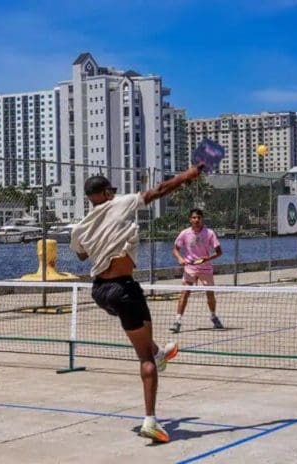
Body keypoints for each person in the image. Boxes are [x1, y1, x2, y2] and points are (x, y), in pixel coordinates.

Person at [70, 163, 205, 443]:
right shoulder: (119, 204)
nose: (116, 193)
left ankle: (158, 353)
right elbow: (159, 190)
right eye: (113, 190)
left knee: (144, 341)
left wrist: (102, 237)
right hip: (123, 290)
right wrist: (188, 176)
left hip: (100, 292)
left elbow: (82, 255)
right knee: (144, 359)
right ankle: (150, 421)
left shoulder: (80, 227)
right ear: (107, 192)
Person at [170, 208, 223, 334]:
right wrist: (180, 258)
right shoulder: (184, 233)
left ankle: (213, 316)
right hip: (190, 268)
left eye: (199, 218)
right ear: (190, 219)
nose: (196, 220)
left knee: (210, 295)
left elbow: (219, 252)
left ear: (202, 219)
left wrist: (207, 258)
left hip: (206, 268)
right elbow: (175, 250)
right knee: (185, 293)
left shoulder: (209, 233)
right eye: (194, 218)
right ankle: (177, 321)